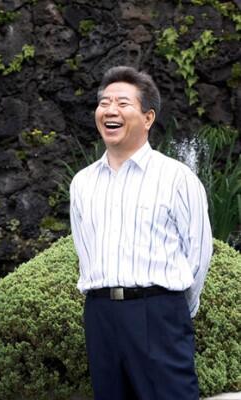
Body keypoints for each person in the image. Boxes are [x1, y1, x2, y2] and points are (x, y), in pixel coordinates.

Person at [69, 66, 212, 399]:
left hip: (158, 314)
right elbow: (85, 251)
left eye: (122, 103)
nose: (110, 110)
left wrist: (171, 309)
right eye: (104, 103)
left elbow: (198, 254)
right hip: (101, 315)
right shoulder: (83, 183)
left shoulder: (176, 178)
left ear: (148, 118)